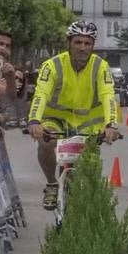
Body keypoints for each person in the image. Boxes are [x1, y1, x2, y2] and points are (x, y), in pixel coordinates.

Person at [27, 21, 120, 209]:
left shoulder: (101, 67)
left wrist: (111, 125)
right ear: (69, 43)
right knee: (46, 142)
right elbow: (41, 94)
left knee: (90, 163)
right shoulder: (51, 65)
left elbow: (108, 95)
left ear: (93, 45)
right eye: (78, 42)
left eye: (87, 43)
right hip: (55, 118)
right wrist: (34, 121)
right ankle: (52, 184)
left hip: (88, 122)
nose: (82, 48)